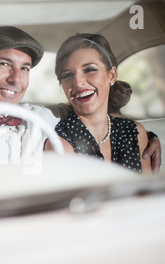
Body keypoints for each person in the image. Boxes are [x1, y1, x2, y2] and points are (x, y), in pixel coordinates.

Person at [0, 26, 160, 205]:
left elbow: (92, 108)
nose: (16, 78)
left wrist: (148, 136)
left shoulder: (43, 117)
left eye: (24, 68)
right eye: (4, 64)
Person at [46, 33, 152, 173]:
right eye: (67, 75)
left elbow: (148, 192)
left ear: (112, 75)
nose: (78, 82)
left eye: (89, 69)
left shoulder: (136, 133)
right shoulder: (59, 145)